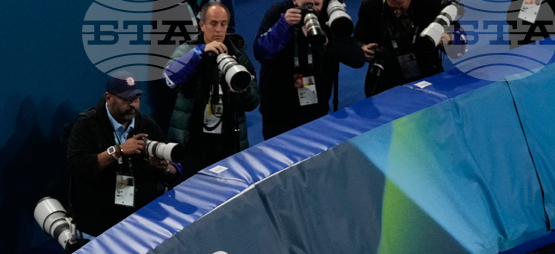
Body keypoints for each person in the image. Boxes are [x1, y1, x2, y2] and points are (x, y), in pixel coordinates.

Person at [67, 75, 178, 238]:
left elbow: (175, 167)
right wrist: (117, 151)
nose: (133, 104)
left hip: (141, 220)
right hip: (98, 224)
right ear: (108, 98)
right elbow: (78, 166)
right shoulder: (87, 123)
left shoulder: (146, 124)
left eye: (136, 98)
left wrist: (165, 168)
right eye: (126, 99)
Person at [164, 2, 261, 177]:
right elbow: (169, 78)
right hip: (193, 142)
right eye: (213, 23)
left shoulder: (238, 55)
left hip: (228, 141)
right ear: (202, 25)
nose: (218, 30)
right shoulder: (188, 50)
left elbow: (254, 102)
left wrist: (241, 89)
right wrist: (199, 53)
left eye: (223, 24)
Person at [254, 0, 366, 139]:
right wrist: (283, 25)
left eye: (316, 4)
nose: (311, 9)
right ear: (295, 0)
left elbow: (357, 59)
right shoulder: (279, 12)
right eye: (306, 4)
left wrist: (326, 43)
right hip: (278, 111)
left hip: (316, 109)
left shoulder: (328, 16)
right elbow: (261, 53)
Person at [354, 0, 456, 98]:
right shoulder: (371, 6)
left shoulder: (432, 4)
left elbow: (458, 36)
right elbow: (357, 38)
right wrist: (362, 47)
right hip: (387, 74)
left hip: (426, 69)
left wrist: (449, 38)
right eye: (392, 7)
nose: (397, 12)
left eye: (401, 7)